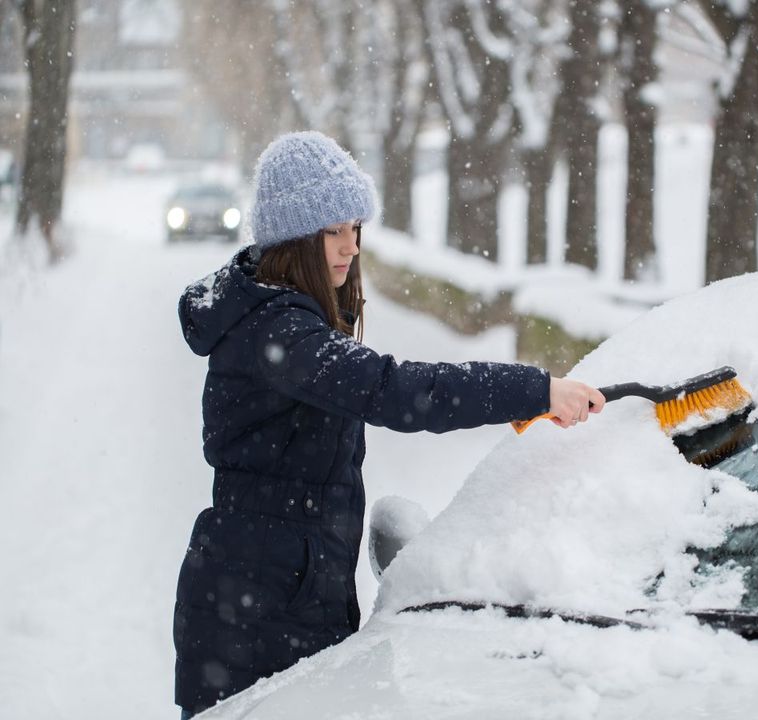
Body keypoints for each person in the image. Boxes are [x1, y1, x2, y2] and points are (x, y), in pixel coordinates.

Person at [173, 131, 605, 717]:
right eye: (332, 230)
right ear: (293, 236)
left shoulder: (274, 313)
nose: (350, 247)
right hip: (255, 610)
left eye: (355, 229)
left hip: (282, 586)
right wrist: (535, 391)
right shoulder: (278, 331)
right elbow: (396, 390)